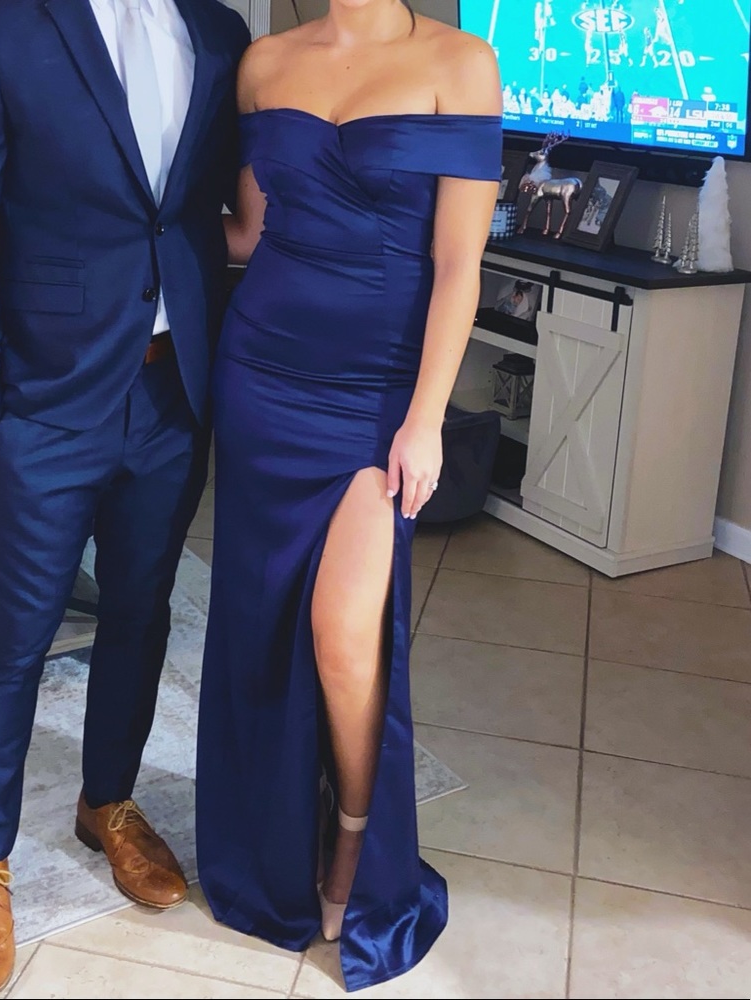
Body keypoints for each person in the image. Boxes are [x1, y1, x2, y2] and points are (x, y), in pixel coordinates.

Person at [0, 0, 249, 994]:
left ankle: (108, 802)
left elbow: (206, 212)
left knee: (142, 611)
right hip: (42, 399)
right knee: (14, 632)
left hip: (174, 390)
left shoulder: (219, 32)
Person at [196, 0, 501, 991]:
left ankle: (354, 846)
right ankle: (272, 839)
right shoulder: (262, 64)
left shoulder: (460, 63)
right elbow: (249, 232)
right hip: (262, 374)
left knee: (342, 634)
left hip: (377, 393)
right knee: (257, 621)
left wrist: (426, 418)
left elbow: (458, 264)